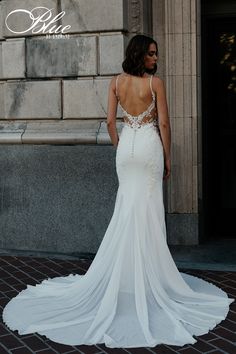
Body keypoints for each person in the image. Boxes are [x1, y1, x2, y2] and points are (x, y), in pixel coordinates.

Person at [2, 34, 234, 349]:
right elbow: (164, 124)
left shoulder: (115, 82)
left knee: (127, 209)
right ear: (140, 55)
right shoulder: (155, 83)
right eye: (151, 54)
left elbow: (110, 121)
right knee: (147, 212)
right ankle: (144, 281)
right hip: (150, 146)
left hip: (126, 149)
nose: (155, 58)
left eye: (156, 54)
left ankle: (127, 279)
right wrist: (168, 158)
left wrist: (120, 146)